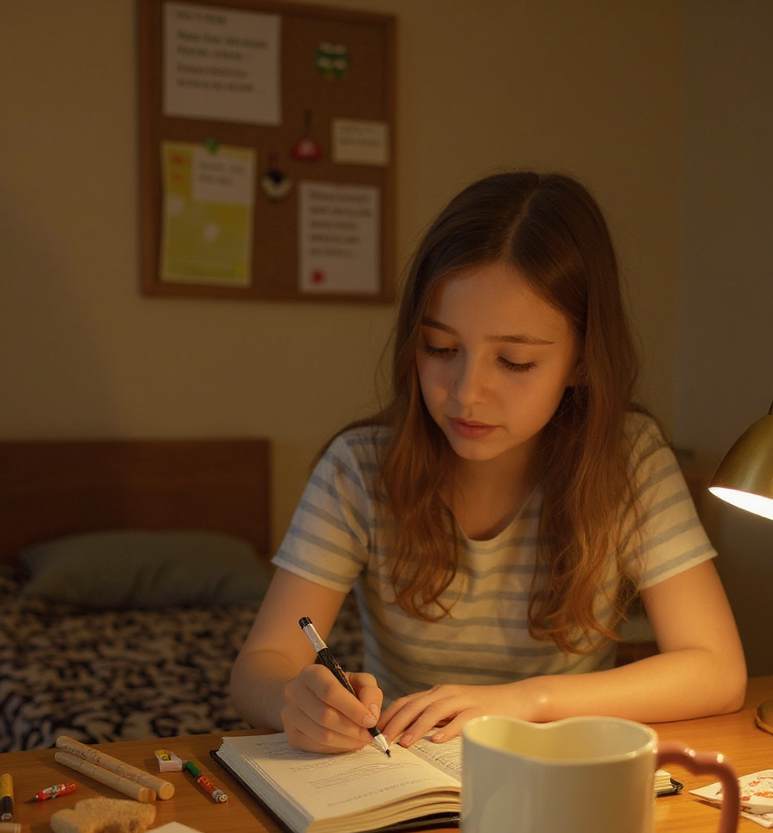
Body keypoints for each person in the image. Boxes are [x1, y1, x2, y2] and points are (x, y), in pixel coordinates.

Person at [230, 171, 746, 754]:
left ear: (582, 360)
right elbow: (259, 665)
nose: (467, 391)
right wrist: (298, 702)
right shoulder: (360, 469)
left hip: (563, 768)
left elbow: (718, 670)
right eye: (441, 349)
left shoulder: (627, 459)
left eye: (516, 361)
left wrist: (527, 701)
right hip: (406, 778)